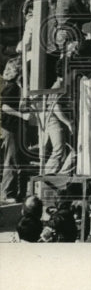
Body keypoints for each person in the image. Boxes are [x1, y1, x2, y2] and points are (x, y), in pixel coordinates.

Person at [1, 58, 31, 204]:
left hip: (14, 127)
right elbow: (4, 107)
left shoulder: (16, 86)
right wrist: (21, 115)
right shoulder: (11, 87)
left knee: (16, 159)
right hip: (10, 127)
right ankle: (6, 193)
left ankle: (16, 192)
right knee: (11, 159)